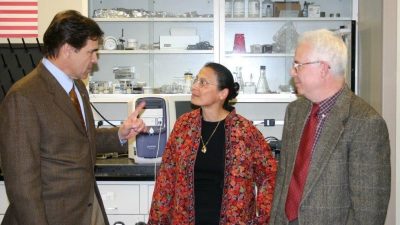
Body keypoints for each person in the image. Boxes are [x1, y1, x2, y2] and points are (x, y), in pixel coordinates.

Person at [0, 10, 146, 225]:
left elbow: (78, 139)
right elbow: (22, 185)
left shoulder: (77, 87)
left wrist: (120, 134)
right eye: (91, 52)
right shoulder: (23, 97)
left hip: (86, 210)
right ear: (68, 49)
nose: (95, 60)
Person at [269, 29, 391, 225]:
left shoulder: (365, 122)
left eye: (298, 65)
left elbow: (368, 211)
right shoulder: (295, 111)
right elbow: (283, 181)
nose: (293, 71)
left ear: (324, 68)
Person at [148, 62, 277, 225]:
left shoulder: (245, 131)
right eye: (196, 80)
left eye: (203, 83)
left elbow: (269, 175)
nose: (194, 86)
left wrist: (264, 218)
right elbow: (166, 178)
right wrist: (157, 221)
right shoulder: (184, 126)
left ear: (222, 93)